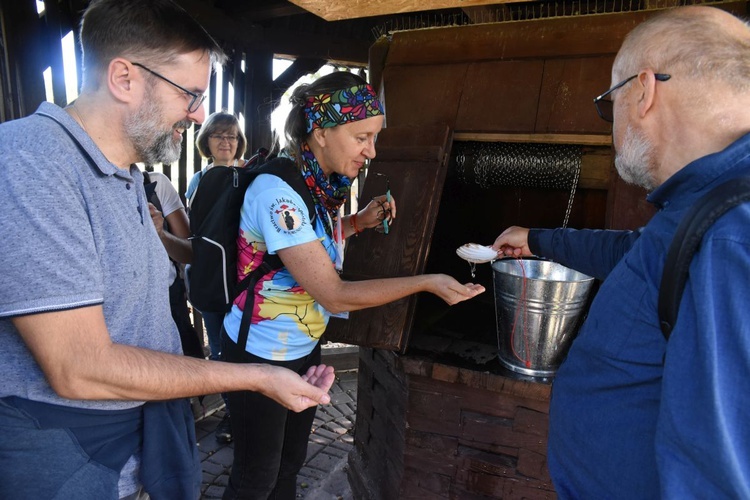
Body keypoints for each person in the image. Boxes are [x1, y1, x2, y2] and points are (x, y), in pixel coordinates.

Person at [0, 1, 335, 499]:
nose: (199, 113)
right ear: (124, 78)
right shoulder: (30, 163)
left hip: (138, 439)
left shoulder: (128, 173)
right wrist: (256, 376)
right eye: (190, 94)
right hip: (68, 454)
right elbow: (78, 366)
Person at [492, 6, 750, 499]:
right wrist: (540, 239)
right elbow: (640, 255)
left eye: (610, 105)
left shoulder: (734, 230)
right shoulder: (707, 203)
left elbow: (722, 478)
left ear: (645, 90)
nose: (612, 126)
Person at [221, 71, 486, 499]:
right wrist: (426, 282)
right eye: (362, 136)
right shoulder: (279, 191)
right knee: (256, 477)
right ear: (322, 132)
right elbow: (333, 293)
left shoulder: (315, 183)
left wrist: (357, 223)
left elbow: (304, 246)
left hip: (301, 347)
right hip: (258, 354)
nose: (372, 151)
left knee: (289, 468)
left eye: (375, 138)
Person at [186, 111, 248, 442]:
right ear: (206, 141)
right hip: (211, 278)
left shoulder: (251, 175)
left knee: (245, 350)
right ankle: (234, 416)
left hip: (243, 279)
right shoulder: (197, 181)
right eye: (219, 135)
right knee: (221, 351)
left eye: (232, 136)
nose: (226, 142)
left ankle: (249, 414)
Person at [145, 169, 205, 359]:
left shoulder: (155, 183)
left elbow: (190, 251)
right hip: (108, 310)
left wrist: (160, 233)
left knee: (189, 378)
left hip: (168, 298)